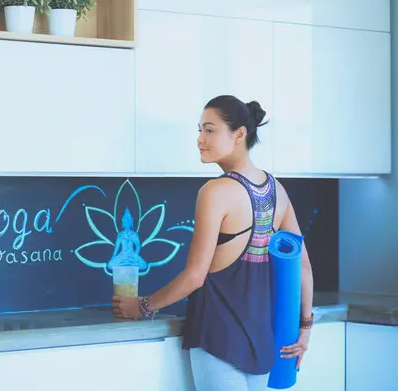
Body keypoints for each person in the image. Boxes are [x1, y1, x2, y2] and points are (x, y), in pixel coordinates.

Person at [111, 95, 314, 391]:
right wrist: (306, 328)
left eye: (209, 130)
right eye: (199, 130)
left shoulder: (215, 191)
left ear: (239, 134)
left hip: (217, 339)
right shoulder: (277, 191)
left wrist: (141, 307)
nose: (199, 139)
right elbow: (303, 267)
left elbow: (195, 276)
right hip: (262, 344)